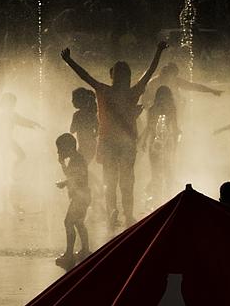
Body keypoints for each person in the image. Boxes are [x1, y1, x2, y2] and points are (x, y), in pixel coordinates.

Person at [61, 42, 167, 229]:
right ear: (128, 77)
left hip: (108, 142)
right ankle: (128, 216)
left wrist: (69, 61)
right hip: (127, 144)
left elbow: (85, 76)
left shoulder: (104, 91)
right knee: (128, 180)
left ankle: (112, 213)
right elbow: (150, 72)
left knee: (110, 181)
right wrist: (158, 50)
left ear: (112, 76)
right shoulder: (134, 92)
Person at [55, 133, 90, 270]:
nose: (58, 152)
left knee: (68, 222)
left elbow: (78, 176)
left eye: (60, 149)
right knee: (79, 223)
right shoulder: (74, 159)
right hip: (81, 196)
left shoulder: (78, 159)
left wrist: (65, 182)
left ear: (68, 148)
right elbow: (70, 175)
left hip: (80, 197)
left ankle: (69, 254)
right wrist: (62, 164)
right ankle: (85, 250)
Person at [142, 85, 180, 204]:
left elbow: (175, 127)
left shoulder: (167, 109)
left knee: (167, 170)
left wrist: (176, 141)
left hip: (163, 142)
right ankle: (159, 198)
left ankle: (167, 197)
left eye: (165, 97)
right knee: (157, 171)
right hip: (156, 143)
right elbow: (149, 127)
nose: (163, 99)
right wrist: (143, 140)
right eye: (162, 97)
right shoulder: (154, 109)